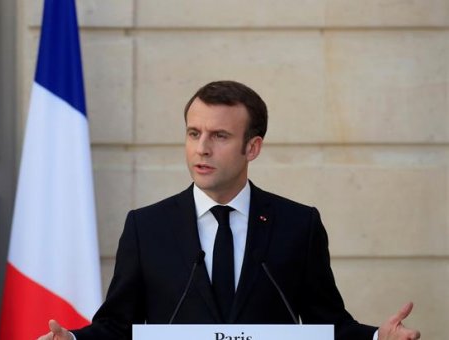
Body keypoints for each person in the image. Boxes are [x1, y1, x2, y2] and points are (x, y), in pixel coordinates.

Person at [37, 80, 421, 340]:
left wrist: (376, 337)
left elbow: (326, 321)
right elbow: (119, 324)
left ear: (252, 148)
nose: (201, 148)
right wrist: (73, 338)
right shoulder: (146, 226)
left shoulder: (298, 225)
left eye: (219, 136)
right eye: (193, 133)